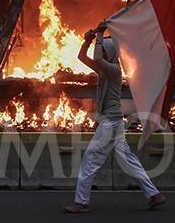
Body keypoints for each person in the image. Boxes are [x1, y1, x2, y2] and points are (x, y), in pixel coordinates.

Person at [64, 23, 166, 213]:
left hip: (110, 123)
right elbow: (81, 57)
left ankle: (81, 202)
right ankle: (154, 195)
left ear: (109, 53)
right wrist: (88, 40)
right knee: (128, 159)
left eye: (103, 49)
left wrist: (99, 35)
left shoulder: (113, 70)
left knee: (90, 159)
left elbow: (96, 57)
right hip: (115, 121)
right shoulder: (105, 69)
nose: (101, 51)